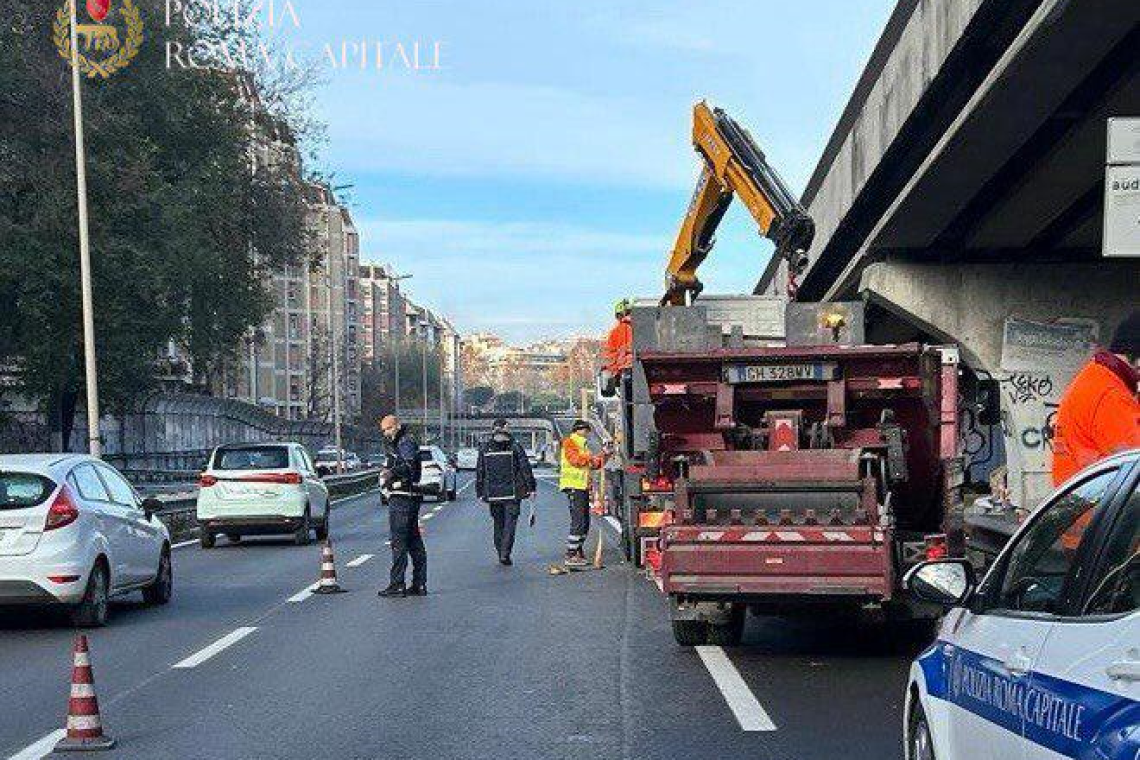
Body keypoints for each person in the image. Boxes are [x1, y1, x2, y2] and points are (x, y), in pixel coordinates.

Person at [1052, 311, 1140, 487]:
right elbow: (1135, 459)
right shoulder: (1111, 395)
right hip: (1100, 507)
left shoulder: (1097, 377)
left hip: (1082, 502)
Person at [475, 419, 537, 566]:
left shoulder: (485, 448)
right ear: (504, 430)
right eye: (508, 427)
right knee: (510, 524)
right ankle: (505, 553)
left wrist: (479, 492)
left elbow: (480, 471)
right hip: (513, 494)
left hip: (493, 494)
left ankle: (500, 552)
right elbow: (525, 468)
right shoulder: (515, 446)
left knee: (498, 524)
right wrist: (531, 488)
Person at [378, 414, 427, 598]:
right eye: (383, 430)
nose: (386, 433)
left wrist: (391, 472)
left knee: (399, 542)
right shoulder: (402, 442)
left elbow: (409, 466)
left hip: (403, 497)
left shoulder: (404, 442)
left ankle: (397, 584)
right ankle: (419, 584)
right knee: (414, 541)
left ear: (397, 426)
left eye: (388, 429)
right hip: (409, 496)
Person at [558, 420, 608, 567]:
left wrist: (604, 456)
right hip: (574, 486)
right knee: (579, 521)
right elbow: (576, 460)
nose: (588, 433)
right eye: (587, 430)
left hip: (582, 487)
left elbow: (593, 464)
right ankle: (571, 554)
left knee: (585, 522)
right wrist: (591, 458)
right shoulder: (570, 442)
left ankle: (577, 551)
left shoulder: (583, 445)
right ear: (580, 430)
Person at [600, 299, 634, 396]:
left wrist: (611, 371)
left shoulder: (615, 333)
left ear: (619, 316)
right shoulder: (648, 328)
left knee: (630, 404)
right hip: (644, 369)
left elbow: (611, 357)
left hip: (626, 371)